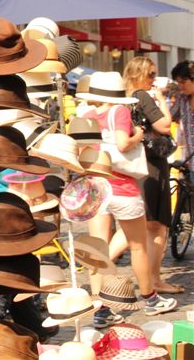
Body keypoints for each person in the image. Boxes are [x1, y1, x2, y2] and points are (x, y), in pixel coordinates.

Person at [80, 74, 176, 327]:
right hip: (121, 184)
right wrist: (139, 135)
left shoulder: (87, 113)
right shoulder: (119, 111)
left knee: (99, 250)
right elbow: (122, 144)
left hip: (95, 186)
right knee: (137, 246)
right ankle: (151, 298)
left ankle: (101, 309)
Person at [123, 56, 179, 294]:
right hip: (153, 165)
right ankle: (155, 280)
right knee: (155, 226)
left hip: (137, 163)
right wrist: (163, 100)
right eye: (151, 74)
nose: (154, 79)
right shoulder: (142, 96)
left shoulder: (124, 97)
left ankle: (101, 264)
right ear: (140, 74)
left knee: (142, 225)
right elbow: (165, 126)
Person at [173, 60, 194, 182]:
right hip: (190, 163)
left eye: (183, 82)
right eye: (178, 82)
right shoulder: (182, 99)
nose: (180, 86)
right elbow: (167, 118)